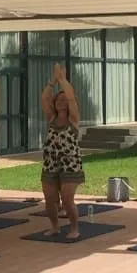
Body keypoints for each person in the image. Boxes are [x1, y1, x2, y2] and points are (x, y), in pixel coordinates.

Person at [40, 64, 84, 239]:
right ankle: (55, 227)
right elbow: (44, 98)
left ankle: (74, 228)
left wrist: (63, 80)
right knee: (50, 199)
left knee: (67, 199)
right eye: (58, 99)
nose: (61, 101)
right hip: (51, 162)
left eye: (63, 99)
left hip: (70, 163)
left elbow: (72, 98)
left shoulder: (73, 119)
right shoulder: (51, 117)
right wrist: (53, 81)